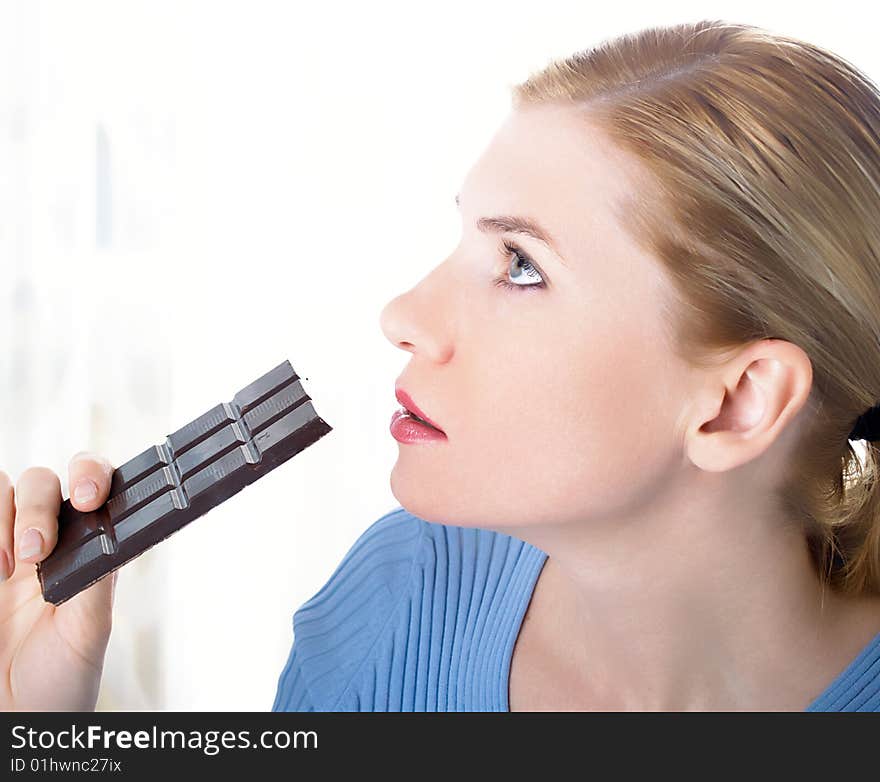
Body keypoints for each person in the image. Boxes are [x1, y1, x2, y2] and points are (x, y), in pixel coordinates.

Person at [3, 18, 880, 712]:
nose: (404, 315)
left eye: (522, 267)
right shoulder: (400, 599)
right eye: (466, 240)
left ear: (738, 403)